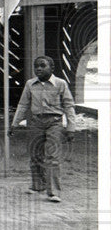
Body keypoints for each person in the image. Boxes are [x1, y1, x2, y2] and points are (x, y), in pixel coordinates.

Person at [10, 55, 76, 203]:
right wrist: (14, 123)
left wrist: (71, 128)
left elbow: (69, 106)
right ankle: (37, 186)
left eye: (42, 66)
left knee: (53, 157)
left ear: (52, 68)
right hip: (35, 123)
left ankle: (53, 192)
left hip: (54, 123)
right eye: (36, 66)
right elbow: (23, 105)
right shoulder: (30, 84)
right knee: (35, 154)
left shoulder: (61, 84)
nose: (38, 68)